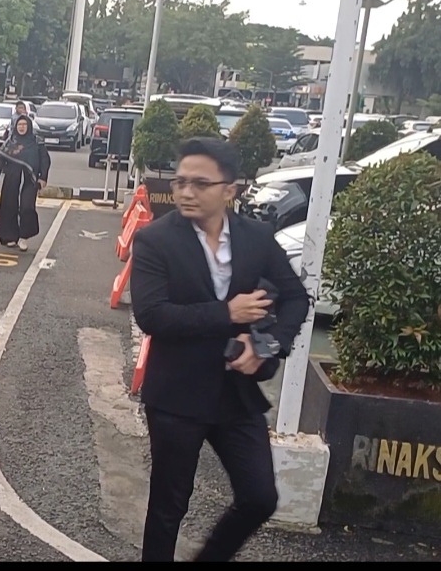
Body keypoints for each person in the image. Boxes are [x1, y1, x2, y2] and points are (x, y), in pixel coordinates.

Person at [130, 137, 309, 562]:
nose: (186, 192)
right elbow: (152, 315)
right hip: (176, 396)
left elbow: (295, 298)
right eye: (180, 182)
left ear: (230, 189)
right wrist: (226, 313)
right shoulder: (155, 240)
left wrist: (265, 345)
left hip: (236, 395)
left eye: (200, 183)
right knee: (169, 507)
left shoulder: (256, 237)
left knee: (260, 497)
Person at [0, 115, 49, 252]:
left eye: (24, 125)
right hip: (12, 178)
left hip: (30, 179)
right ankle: (9, 237)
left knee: (27, 207)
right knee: (8, 206)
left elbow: (45, 160)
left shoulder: (36, 142)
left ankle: (24, 236)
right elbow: (0, 160)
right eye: (19, 125)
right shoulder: (10, 142)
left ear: (29, 126)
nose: (22, 127)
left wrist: (43, 177)